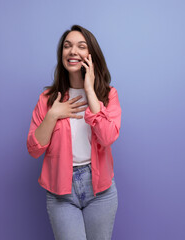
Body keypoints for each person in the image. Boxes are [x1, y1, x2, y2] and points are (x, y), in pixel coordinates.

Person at [27, 24, 121, 240]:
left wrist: (89, 91)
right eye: (67, 46)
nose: (72, 51)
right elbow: (33, 149)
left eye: (81, 46)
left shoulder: (108, 95)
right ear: (62, 55)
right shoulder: (48, 99)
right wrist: (53, 115)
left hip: (101, 191)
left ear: (91, 55)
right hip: (61, 192)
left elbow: (107, 137)